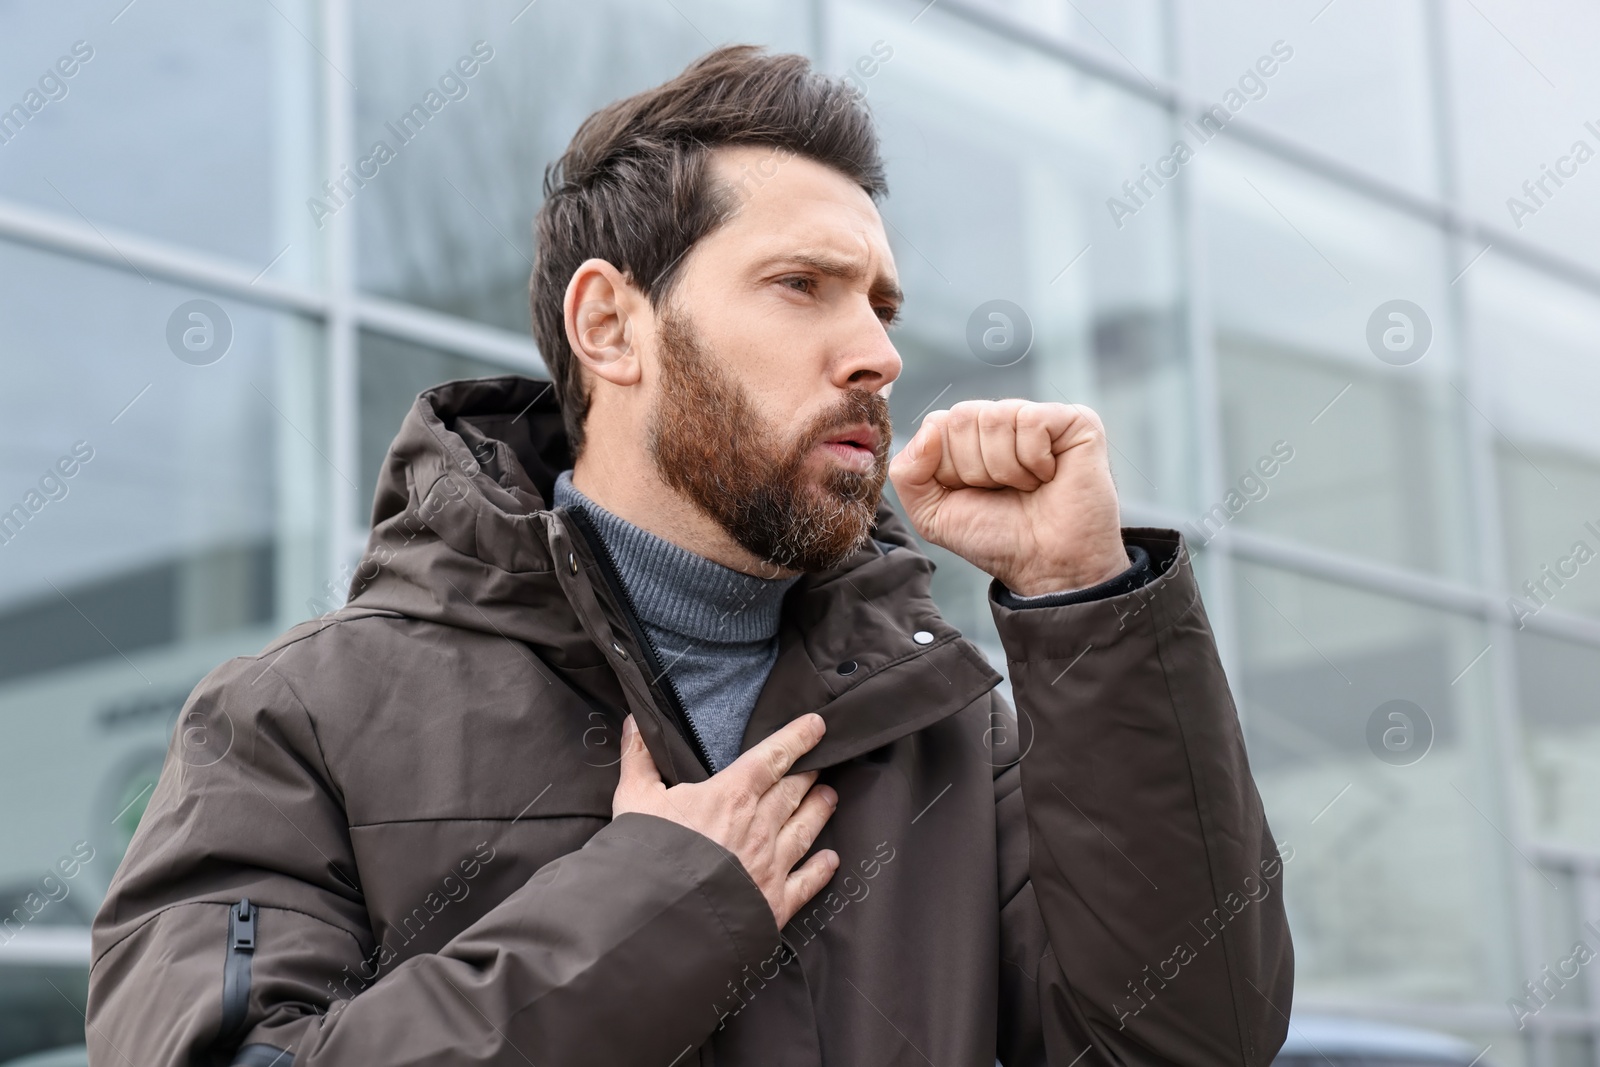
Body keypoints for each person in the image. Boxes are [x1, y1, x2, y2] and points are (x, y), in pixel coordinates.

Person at [87, 44, 1292, 1067]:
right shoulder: (294, 716)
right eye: (802, 285)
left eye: (881, 305)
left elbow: (1190, 1038)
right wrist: (653, 903)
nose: (875, 352)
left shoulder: (956, 730)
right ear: (612, 325)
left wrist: (1083, 600)